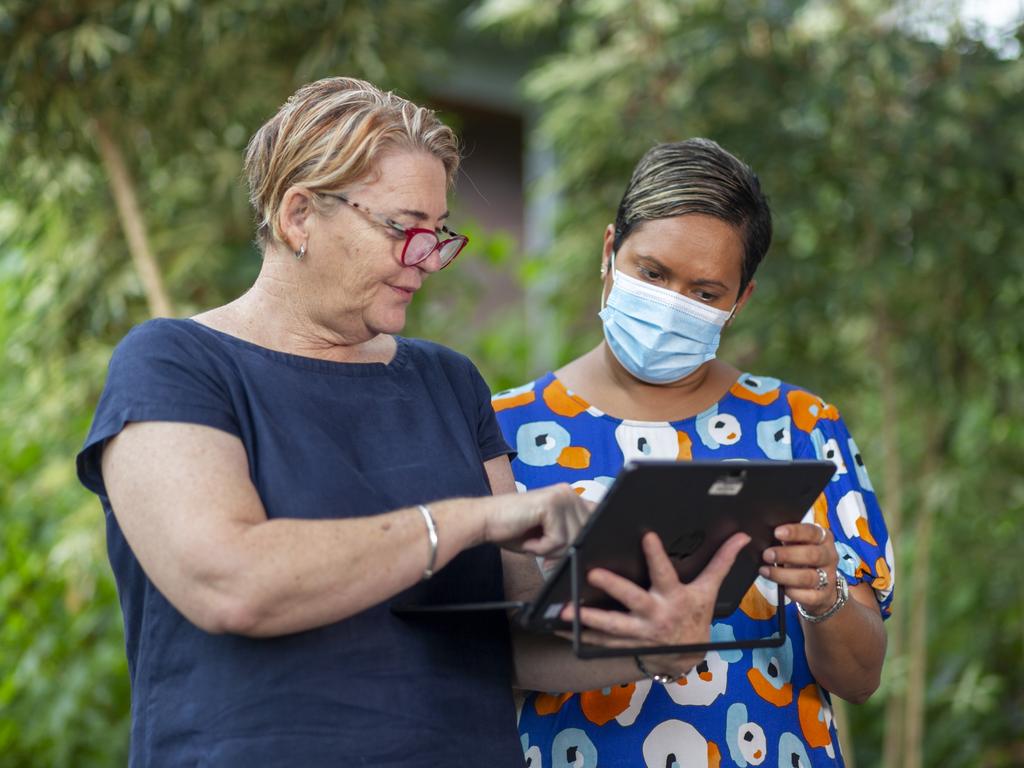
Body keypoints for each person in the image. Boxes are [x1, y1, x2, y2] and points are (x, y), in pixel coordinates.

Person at [76, 80, 751, 767]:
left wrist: (653, 643)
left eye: (436, 234)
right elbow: (231, 585)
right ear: (299, 215)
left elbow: (512, 643)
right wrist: (468, 521)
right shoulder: (173, 363)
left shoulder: (447, 381)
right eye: (403, 229)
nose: (425, 261)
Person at [494, 138, 893, 767]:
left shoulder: (801, 427)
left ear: (741, 301)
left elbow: (861, 677)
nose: (672, 304)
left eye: (705, 292)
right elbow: (475, 660)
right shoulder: (504, 433)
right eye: (652, 274)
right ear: (608, 253)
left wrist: (826, 595)